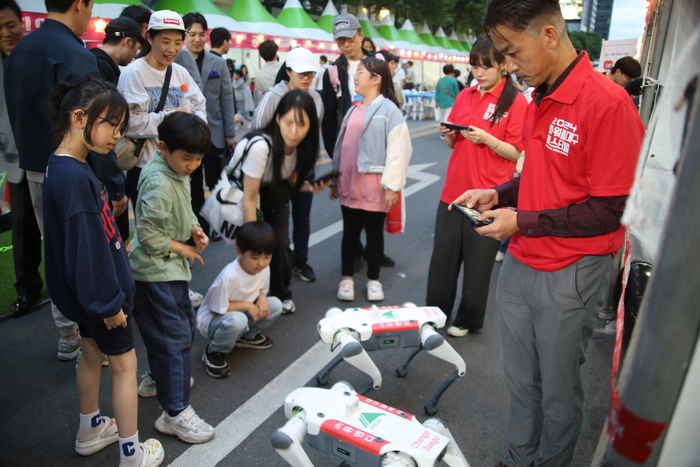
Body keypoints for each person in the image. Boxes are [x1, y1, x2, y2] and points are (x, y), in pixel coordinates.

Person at [457, 1, 645, 465]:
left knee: (559, 392)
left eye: (512, 51)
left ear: (548, 35)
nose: (509, 65)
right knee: (521, 382)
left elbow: (610, 210)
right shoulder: (539, 93)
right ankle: (520, 459)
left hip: (572, 270)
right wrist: (499, 194)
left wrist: (520, 221)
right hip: (522, 260)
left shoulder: (608, 104)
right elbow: (546, 174)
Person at [43, 76, 164, 467]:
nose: (117, 135)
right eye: (112, 125)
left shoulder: (62, 165)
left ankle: (90, 427)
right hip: (102, 299)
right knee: (126, 367)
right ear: (80, 118)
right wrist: (109, 305)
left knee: (91, 355)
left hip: (85, 299)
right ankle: (132, 453)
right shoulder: (77, 177)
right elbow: (89, 253)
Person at [5, 0, 102, 361]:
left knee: (56, 249)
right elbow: (97, 123)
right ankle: (91, 334)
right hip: (75, 168)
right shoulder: (75, 54)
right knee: (85, 250)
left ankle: (68, 333)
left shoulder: (19, 52)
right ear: (80, 4)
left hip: (34, 166)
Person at [427, 36, 527, 338]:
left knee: (478, 264)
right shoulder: (465, 95)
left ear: (503, 66)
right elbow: (453, 143)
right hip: (454, 191)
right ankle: (435, 314)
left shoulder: (515, 101)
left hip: (490, 196)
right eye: (474, 66)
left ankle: (469, 319)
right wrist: (448, 133)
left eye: (486, 66)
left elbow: (519, 153)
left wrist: (488, 139)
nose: (479, 73)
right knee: (442, 260)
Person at [129, 112, 215, 444]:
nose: (193, 166)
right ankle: (175, 411)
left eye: (198, 159)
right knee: (175, 336)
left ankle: (159, 378)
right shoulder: (160, 180)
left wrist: (193, 230)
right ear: (163, 148)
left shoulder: (174, 170)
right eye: (187, 159)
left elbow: (183, 209)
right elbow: (149, 236)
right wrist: (184, 248)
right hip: (156, 273)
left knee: (170, 332)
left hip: (168, 270)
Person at [331, 57, 412, 302]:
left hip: (376, 187)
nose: (355, 77)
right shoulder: (353, 108)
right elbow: (341, 148)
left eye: (361, 72)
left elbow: (400, 151)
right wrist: (336, 180)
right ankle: (346, 278)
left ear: (376, 78)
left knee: (375, 235)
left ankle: (373, 280)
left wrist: (391, 187)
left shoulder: (389, 110)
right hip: (350, 184)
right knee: (350, 234)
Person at [240, 91, 328, 315]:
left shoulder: (304, 149)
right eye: (289, 122)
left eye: (302, 124)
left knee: (280, 248)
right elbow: (249, 198)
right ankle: (247, 297)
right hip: (253, 198)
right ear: (278, 117)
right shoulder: (261, 147)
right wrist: (254, 238)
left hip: (276, 198)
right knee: (256, 250)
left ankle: (279, 293)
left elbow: (291, 184)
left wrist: (311, 187)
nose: (294, 131)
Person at [320, 13, 395, 268]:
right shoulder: (332, 72)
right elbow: (328, 120)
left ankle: (375, 251)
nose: (345, 45)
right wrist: (335, 155)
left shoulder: (377, 64)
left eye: (349, 38)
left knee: (376, 208)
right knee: (351, 209)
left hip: (377, 151)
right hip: (348, 152)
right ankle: (355, 251)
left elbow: (391, 99)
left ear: (360, 35)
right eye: (340, 41)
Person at [251, 47, 324, 287]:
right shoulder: (274, 96)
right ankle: (275, 268)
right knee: (278, 226)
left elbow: (313, 136)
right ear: (288, 71)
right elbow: (257, 132)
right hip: (275, 174)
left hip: (303, 170)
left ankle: (300, 260)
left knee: (303, 218)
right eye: (301, 73)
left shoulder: (315, 98)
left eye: (310, 73)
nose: (306, 78)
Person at [0, 0, 43, 317]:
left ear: (23, 22)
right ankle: (27, 288)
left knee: (55, 225)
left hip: (46, 156)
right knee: (22, 226)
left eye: (10, 25)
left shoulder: (36, 56)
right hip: (14, 160)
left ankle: (67, 283)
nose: (5, 33)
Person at [197, 221, 282, 378]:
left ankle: (246, 337)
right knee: (238, 320)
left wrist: (262, 297)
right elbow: (216, 308)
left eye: (267, 257)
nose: (262, 263)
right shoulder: (230, 275)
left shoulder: (263, 268)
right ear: (240, 252)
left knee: (275, 304)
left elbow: (262, 289)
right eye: (255, 257)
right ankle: (214, 351)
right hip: (211, 320)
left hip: (239, 312)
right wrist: (248, 305)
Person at [182, 13, 237, 242]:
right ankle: (198, 225)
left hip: (214, 133)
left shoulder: (218, 63)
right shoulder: (176, 60)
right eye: (191, 34)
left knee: (215, 181)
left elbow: (227, 98)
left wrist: (230, 133)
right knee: (192, 184)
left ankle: (215, 222)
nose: (196, 38)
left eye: (200, 34)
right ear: (184, 35)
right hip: (188, 134)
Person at [90, 16, 143, 240]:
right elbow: (102, 132)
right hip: (100, 170)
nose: (134, 57)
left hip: (88, 167)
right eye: (137, 49)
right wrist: (115, 186)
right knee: (114, 236)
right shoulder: (104, 71)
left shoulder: (89, 60)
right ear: (128, 42)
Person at [254, 39, 282, 104]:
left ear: (261, 55)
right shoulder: (284, 67)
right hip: (287, 106)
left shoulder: (259, 74)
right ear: (276, 51)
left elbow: (258, 98)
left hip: (269, 107)